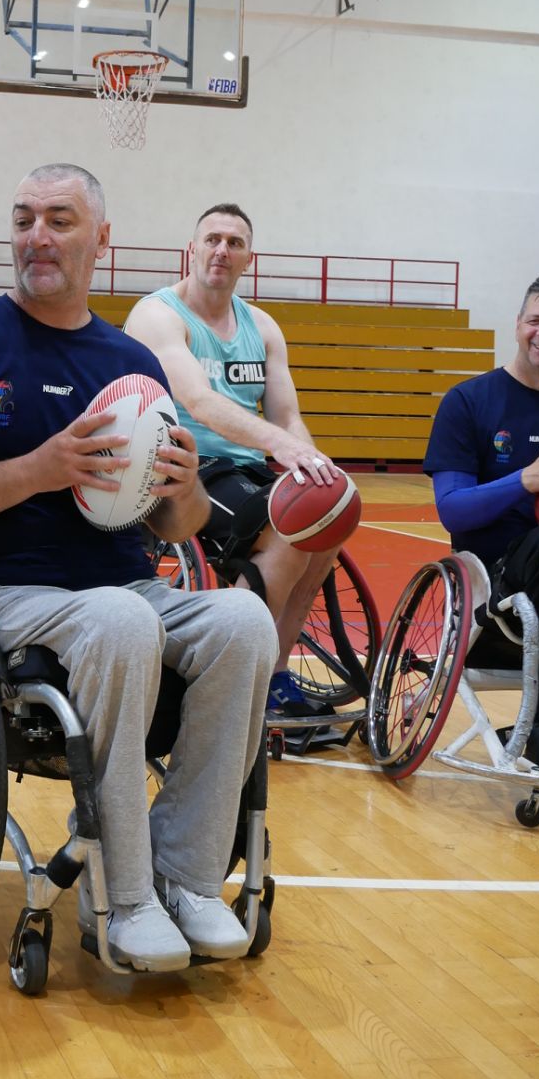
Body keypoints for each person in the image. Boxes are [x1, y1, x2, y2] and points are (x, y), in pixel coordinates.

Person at [0, 165, 276, 973]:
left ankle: (186, 875)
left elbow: (174, 526)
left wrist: (184, 487)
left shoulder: (129, 361)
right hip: (2, 594)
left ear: (101, 237)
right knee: (120, 618)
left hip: (123, 585)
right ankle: (122, 895)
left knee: (244, 620)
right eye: (22, 218)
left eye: (58, 220)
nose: (36, 236)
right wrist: (39, 469)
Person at [124, 203, 350, 736]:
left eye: (234, 243)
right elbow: (199, 402)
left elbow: (287, 416)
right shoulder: (158, 315)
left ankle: (273, 671)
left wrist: (316, 467)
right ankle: (229, 666)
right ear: (192, 249)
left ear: (250, 258)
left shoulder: (262, 326)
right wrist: (280, 445)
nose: (222, 250)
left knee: (328, 522)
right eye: (212, 239)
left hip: (244, 467)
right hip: (181, 466)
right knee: (290, 532)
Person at [425, 273, 539, 770]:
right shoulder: (469, 401)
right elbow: (453, 508)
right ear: (518, 325)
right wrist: (525, 480)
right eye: (536, 320)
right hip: (497, 580)